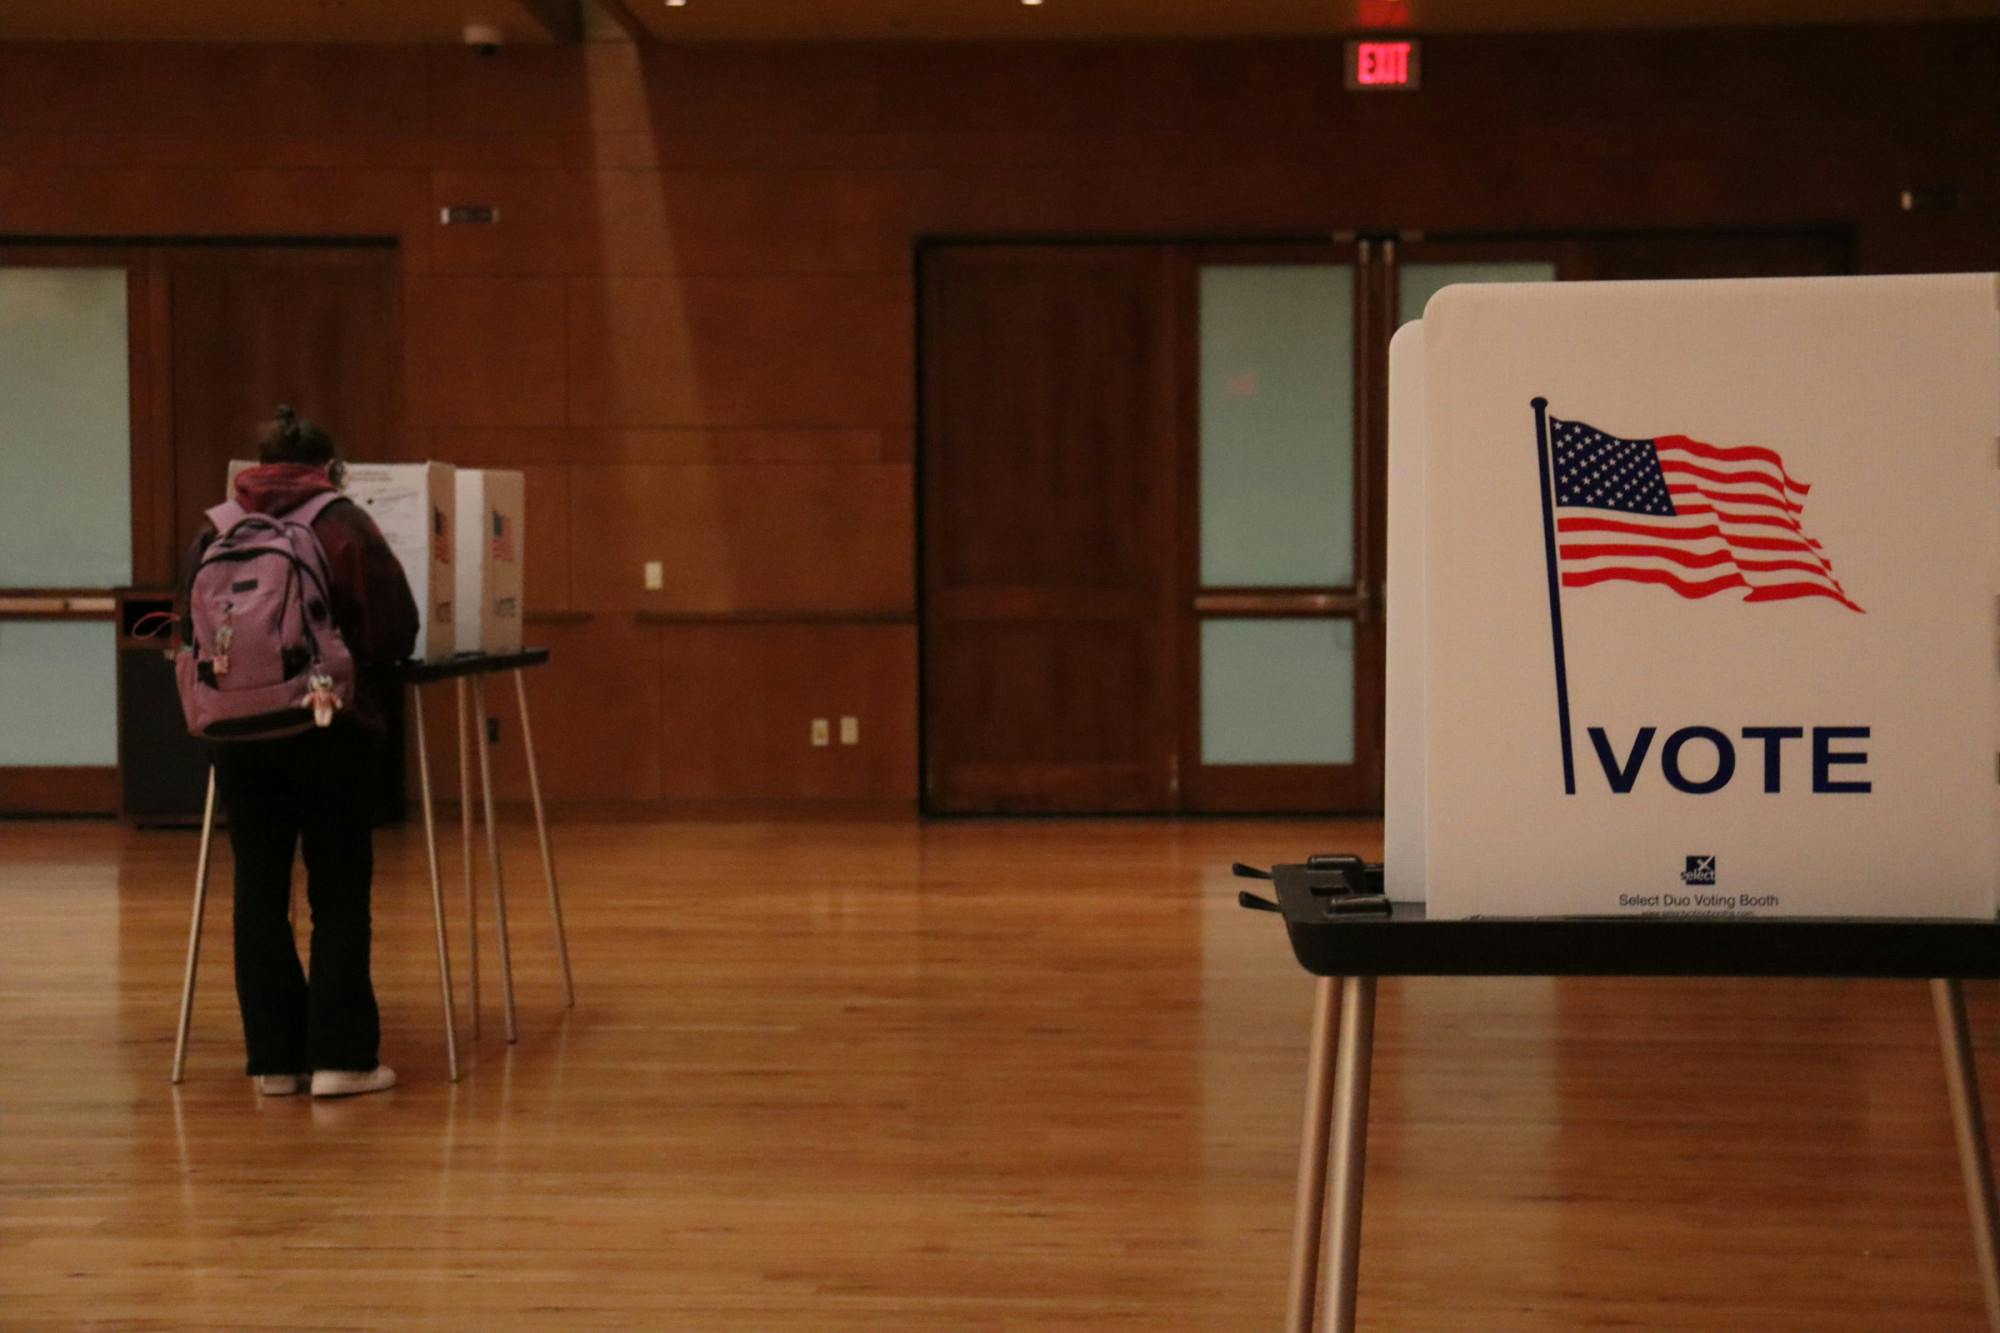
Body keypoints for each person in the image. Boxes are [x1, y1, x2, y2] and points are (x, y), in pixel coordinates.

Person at [179, 407, 418, 1099]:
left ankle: (274, 1064)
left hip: (237, 735)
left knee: (258, 890)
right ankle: (343, 1059)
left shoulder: (213, 531)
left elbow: (181, 625)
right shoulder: (342, 524)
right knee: (338, 890)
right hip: (326, 725)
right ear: (328, 466)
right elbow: (395, 626)